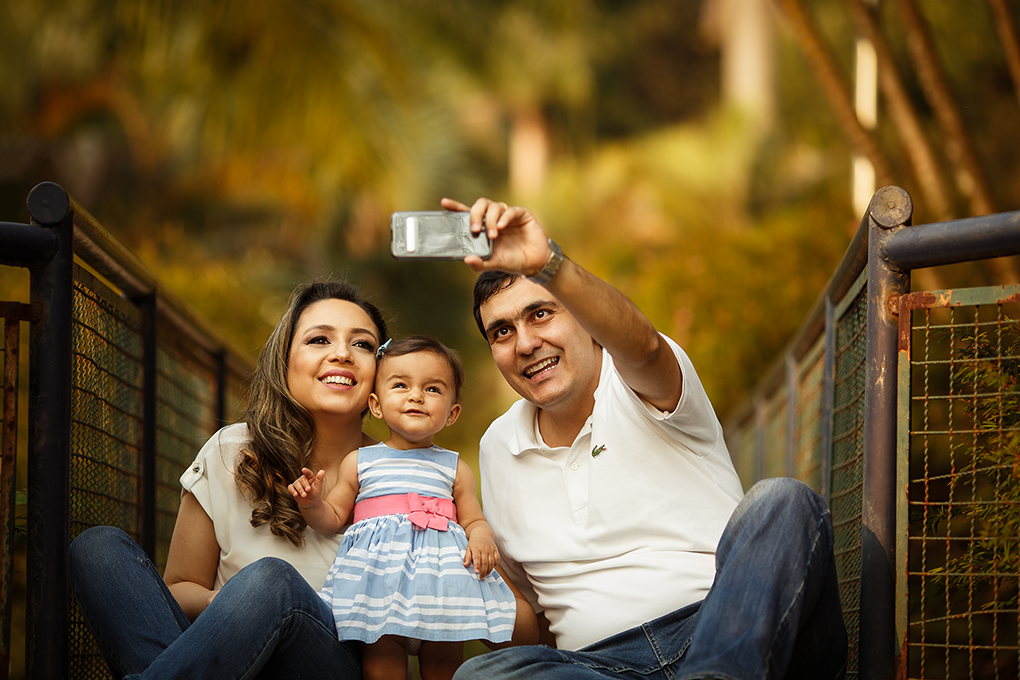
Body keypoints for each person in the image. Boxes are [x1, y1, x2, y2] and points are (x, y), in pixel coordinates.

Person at [440, 197, 849, 680]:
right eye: (502, 332)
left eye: (541, 314)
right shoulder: (497, 447)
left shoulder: (641, 383)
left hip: (724, 629)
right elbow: (534, 620)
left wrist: (548, 264)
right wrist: (450, 562)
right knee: (481, 675)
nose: (526, 343)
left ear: (584, 319)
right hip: (601, 668)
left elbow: (646, 346)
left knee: (783, 502)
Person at [68, 280, 535, 680]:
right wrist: (245, 612)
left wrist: (461, 565)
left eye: (362, 345)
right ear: (286, 360)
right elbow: (180, 590)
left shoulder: (407, 475)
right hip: (224, 664)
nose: (341, 353)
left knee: (273, 582)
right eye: (318, 339)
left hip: (329, 663)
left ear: (379, 377)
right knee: (98, 549)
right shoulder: (233, 450)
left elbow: (515, 623)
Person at [289, 335, 521, 680]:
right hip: (378, 584)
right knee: (382, 665)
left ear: (452, 413)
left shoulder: (454, 468)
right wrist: (312, 503)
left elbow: (473, 519)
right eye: (401, 385)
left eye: (433, 389)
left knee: (444, 665)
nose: (416, 396)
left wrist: (482, 537)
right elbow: (333, 519)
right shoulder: (360, 462)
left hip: (441, 584)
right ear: (376, 404)